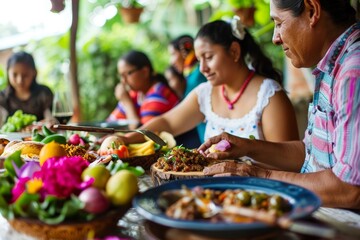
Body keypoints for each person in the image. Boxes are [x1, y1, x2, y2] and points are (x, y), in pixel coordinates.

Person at [199, 0, 360, 209]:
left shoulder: (352, 72)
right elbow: (311, 154)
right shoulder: (331, 66)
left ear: (312, 11)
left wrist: (258, 175)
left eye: (278, 23)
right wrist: (247, 147)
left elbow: (350, 189)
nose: (275, 38)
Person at [116, 17, 299, 149]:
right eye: (199, 60)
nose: (202, 68)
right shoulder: (205, 93)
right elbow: (167, 123)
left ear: (234, 52)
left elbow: (287, 162)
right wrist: (126, 139)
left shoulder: (269, 97)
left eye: (209, 57)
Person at [106, 50, 179, 129]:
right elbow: (109, 125)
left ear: (145, 72)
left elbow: (142, 134)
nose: (123, 81)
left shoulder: (159, 94)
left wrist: (127, 103)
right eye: (121, 76)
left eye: (128, 74)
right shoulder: (136, 94)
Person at [169, 35, 207, 144]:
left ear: (186, 49)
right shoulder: (191, 75)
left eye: (173, 54)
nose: (171, 61)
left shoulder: (197, 76)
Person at [0, 51, 54, 123]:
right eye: (15, 75)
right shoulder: (3, 97)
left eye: (25, 75)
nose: (20, 80)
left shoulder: (44, 93)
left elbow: (51, 118)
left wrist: (50, 122)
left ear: (34, 72)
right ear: (8, 73)